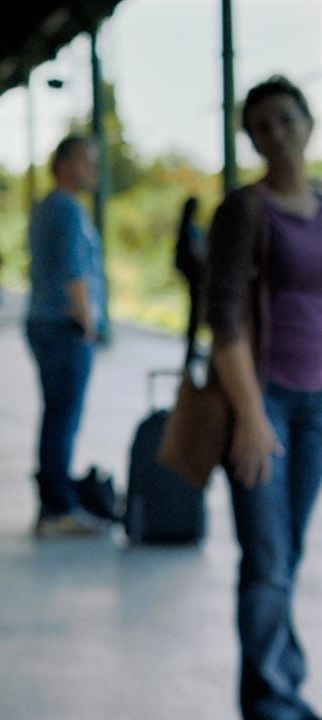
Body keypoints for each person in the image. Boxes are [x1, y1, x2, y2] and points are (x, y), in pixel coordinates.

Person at [205, 75, 321, 720]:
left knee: (287, 557)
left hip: (317, 405)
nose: (275, 133)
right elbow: (222, 321)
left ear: (308, 121)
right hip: (265, 401)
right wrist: (250, 415)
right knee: (269, 560)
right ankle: (276, 703)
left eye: (284, 119)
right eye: (261, 126)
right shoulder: (244, 210)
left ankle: (276, 695)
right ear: (251, 138)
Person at [25, 135, 110, 538]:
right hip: (64, 325)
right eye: (85, 160)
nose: (93, 169)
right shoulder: (69, 210)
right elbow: (75, 271)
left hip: (41, 321)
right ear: (63, 164)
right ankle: (59, 508)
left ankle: (53, 503)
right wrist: (90, 324)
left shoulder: (44, 208)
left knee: (55, 416)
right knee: (64, 420)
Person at [174, 196, 206, 361]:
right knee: (195, 314)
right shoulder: (190, 230)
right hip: (196, 277)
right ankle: (191, 348)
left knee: (194, 313)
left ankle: (192, 347)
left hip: (192, 277)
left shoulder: (184, 227)